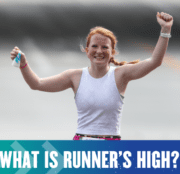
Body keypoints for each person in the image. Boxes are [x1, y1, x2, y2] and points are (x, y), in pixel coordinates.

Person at [10, 12, 173, 140]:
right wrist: (23, 64)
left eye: (105, 47)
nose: (99, 51)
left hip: (110, 145)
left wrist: (165, 30)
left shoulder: (121, 75)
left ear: (112, 52)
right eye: (94, 46)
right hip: (81, 146)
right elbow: (36, 83)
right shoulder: (74, 76)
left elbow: (155, 61)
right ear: (87, 51)